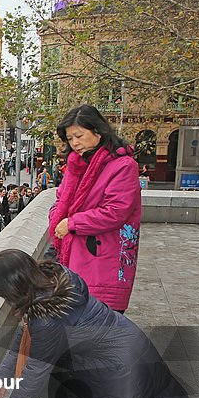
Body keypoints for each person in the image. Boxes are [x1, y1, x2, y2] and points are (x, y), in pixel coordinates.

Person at [0, 250, 188, 398]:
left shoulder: (47, 317)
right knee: (53, 385)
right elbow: (24, 339)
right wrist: (0, 379)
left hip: (116, 367)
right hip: (121, 349)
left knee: (50, 389)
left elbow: (36, 368)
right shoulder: (51, 284)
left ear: (14, 289)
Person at [49, 104, 142, 312]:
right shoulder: (77, 165)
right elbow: (59, 198)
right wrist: (56, 216)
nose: (75, 143)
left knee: (100, 328)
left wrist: (72, 223)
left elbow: (116, 211)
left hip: (105, 258)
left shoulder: (123, 166)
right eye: (70, 138)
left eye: (79, 136)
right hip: (76, 255)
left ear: (98, 132)